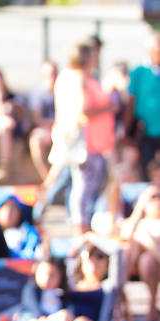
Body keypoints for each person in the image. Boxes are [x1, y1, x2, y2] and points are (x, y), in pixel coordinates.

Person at [48, 42, 115, 234]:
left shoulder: (66, 77)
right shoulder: (79, 79)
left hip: (84, 141)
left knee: (76, 184)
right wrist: (109, 107)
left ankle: (81, 222)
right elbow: (83, 110)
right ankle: (82, 226)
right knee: (83, 186)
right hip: (84, 143)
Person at [122, 184, 160, 321]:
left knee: (148, 257)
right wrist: (140, 207)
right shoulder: (139, 223)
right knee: (142, 240)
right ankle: (152, 305)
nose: (157, 201)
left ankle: (152, 306)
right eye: (152, 197)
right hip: (141, 264)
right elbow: (125, 235)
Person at [126, 31, 160, 181]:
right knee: (146, 168)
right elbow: (131, 102)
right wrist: (127, 130)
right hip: (145, 131)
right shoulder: (139, 72)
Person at [28, 61, 59, 182]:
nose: (52, 78)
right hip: (49, 129)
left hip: (62, 130)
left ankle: (53, 181)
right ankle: (49, 180)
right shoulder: (38, 93)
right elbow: (37, 118)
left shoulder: (64, 90)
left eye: (54, 74)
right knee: (36, 140)